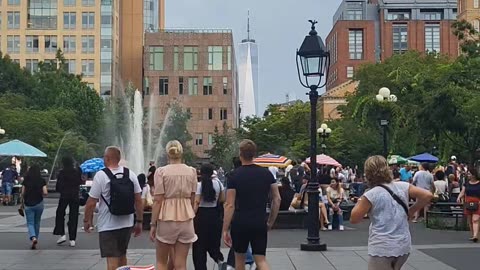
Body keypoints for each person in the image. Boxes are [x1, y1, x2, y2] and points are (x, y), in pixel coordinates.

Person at [350, 155, 433, 270]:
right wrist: (412, 210)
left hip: (382, 246)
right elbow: (428, 195)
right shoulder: (403, 186)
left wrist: (360, 201)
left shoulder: (371, 195)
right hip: (403, 245)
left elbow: (354, 218)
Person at [223, 139, 281, 270]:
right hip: (259, 220)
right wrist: (271, 221)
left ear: (240, 154)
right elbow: (277, 199)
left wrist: (225, 229)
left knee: (240, 260)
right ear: (254, 154)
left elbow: (229, 204)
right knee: (261, 259)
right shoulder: (266, 174)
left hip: (240, 222)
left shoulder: (234, 176)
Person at [83, 146, 143, 270]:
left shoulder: (101, 175)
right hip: (127, 223)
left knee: (112, 260)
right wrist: (139, 221)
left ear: (107, 158)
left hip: (108, 225)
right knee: (122, 256)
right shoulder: (130, 174)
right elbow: (138, 199)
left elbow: (91, 202)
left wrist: (87, 220)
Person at [149, 140, 198, 270]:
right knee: (181, 264)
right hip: (186, 218)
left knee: (161, 262)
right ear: (182, 153)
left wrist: (153, 224)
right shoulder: (191, 171)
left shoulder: (161, 172)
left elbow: (158, 200)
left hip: (166, 217)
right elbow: (193, 198)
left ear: (167, 154)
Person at [193, 163, 225, 270]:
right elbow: (222, 199)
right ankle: (219, 259)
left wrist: (192, 215)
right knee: (214, 242)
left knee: (199, 246)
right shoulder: (219, 183)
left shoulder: (199, 185)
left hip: (201, 217)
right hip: (215, 216)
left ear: (201, 173)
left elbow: (197, 202)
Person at [53, 156, 83, 247]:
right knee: (73, 216)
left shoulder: (61, 173)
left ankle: (62, 233)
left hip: (64, 196)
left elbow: (58, 187)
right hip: (74, 196)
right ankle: (72, 239)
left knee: (60, 213)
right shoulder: (76, 172)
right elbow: (80, 182)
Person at [22, 164, 47, 249]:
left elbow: (22, 193)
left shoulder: (26, 180)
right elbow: (45, 192)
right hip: (39, 203)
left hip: (28, 203)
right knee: (37, 222)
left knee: (30, 222)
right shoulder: (41, 180)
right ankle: (36, 238)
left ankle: (33, 237)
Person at [457, 167, 480, 242]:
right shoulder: (466, 183)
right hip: (468, 202)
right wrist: (459, 197)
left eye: (469, 174)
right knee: (470, 220)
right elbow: (463, 191)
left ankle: (475, 235)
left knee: (475, 219)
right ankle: (473, 234)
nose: (468, 175)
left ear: (474, 175)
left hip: (478, 202)